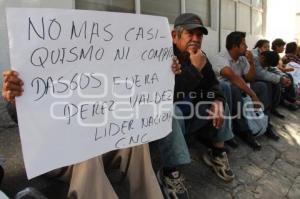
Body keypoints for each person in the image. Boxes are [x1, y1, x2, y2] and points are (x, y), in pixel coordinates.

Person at [2, 60, 182, 198]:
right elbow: (19, 116)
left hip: (99, 138)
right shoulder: (35, 64)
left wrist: (165, 72)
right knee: (87, 150)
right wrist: (16, 100)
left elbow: (138, 91)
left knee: (135, 141)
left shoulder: (102, 62)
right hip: (59, 153)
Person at [157, 13, 235, 199]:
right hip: (166, 121)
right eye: (190, 34)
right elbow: (167, 97)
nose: (196, 39)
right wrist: (194, 69)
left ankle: (217, 151)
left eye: (199, 35)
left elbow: (213, 86)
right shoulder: (160, 56)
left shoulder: (200, 57)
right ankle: (170, 171)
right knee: (170, 111)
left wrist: (216, 100)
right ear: (174, 36)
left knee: (219, 98)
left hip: (190, 115)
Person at [212, 31, 280, 150]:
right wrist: (252, 95)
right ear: (234, 46)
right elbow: (233, 78)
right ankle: (244, 130)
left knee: (262, 86)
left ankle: (264, 120)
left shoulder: (242, 58)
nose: (247, 46)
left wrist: (251, 63)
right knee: (234, 88)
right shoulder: (220, 58)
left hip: (240, 86)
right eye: (243, 44)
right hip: (224, 91)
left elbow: (250, 77)